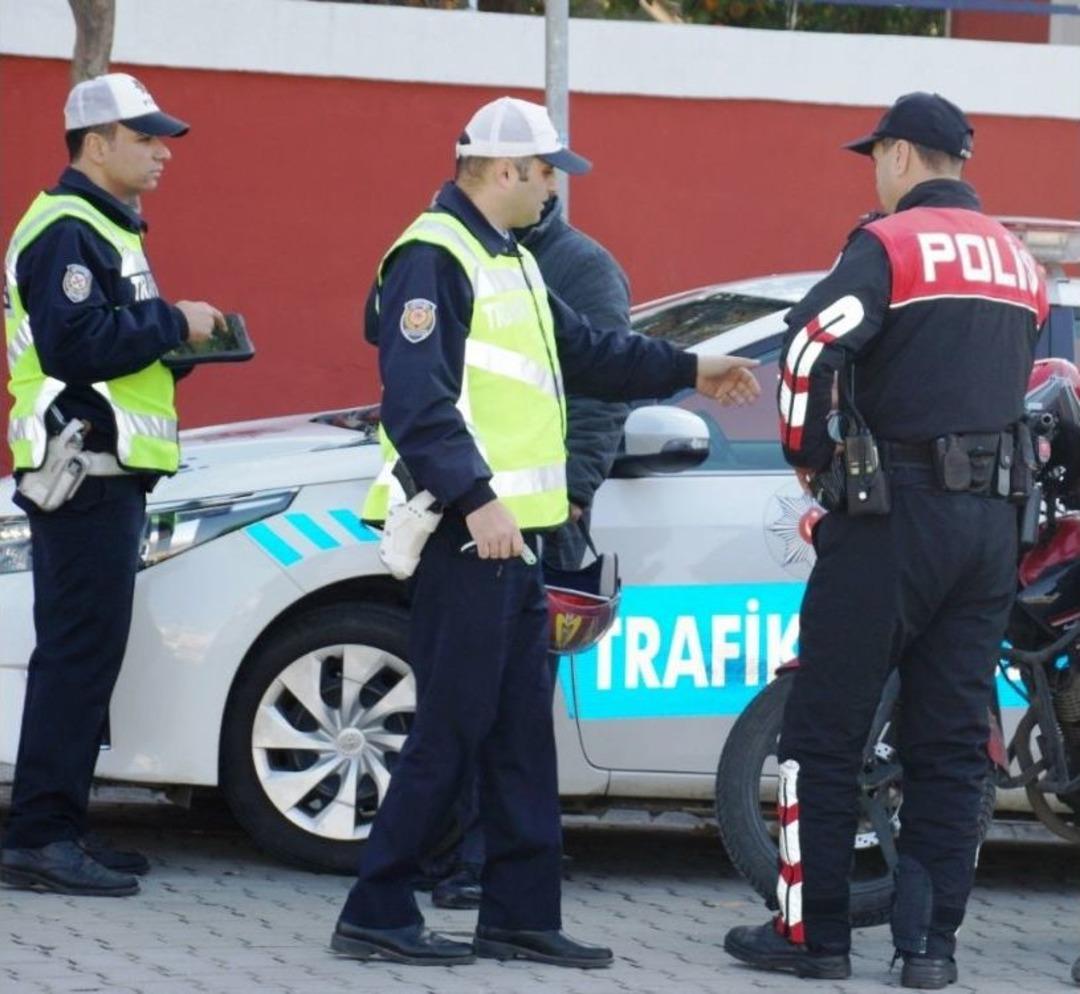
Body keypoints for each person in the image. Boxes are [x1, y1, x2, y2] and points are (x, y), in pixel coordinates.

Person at [332, 95, 760, 967]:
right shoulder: (434, 256)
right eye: (545, 173)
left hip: (516, 540)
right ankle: (376, 911)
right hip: (469, 535)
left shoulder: (512, 258)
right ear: (504, 170)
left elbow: (591, 352)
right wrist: (476, 500)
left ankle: (519, 915)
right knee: (451, 727)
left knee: (521, 735)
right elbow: (416, 402)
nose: (553, 189)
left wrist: (692, 367)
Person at [722, 92, 1048, 988]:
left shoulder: (891, 244)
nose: (874, 171)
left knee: (824, 731)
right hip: (990, 531)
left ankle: (814, 938)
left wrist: (810, 458)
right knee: (950, 745)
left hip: (889, 518)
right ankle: (929, 949)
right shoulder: (1020, 261)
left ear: (901, 154)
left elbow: (806, 349)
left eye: (876, 155)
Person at [0, 73, 223, 897]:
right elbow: (76, 346)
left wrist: (179, 346)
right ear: (96, 145)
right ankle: (39, 838)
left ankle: (61, 827)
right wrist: (175, 321)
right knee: (75, 658)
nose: (163, 152)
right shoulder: (69, 228)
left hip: (102, 471)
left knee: (87, 659)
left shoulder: (104, 225)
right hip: (82, 474)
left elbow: (108, 353)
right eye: (145, 138)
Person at [430, 193, 633, 911]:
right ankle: (451, 853)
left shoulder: (581, 268)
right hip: (462, 516)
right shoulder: (460, 252)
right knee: (460, 698)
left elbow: (605, 388)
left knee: (511, 710)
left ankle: (483, 864)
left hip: (537, 526)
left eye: (547, 171)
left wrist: (572, 491)